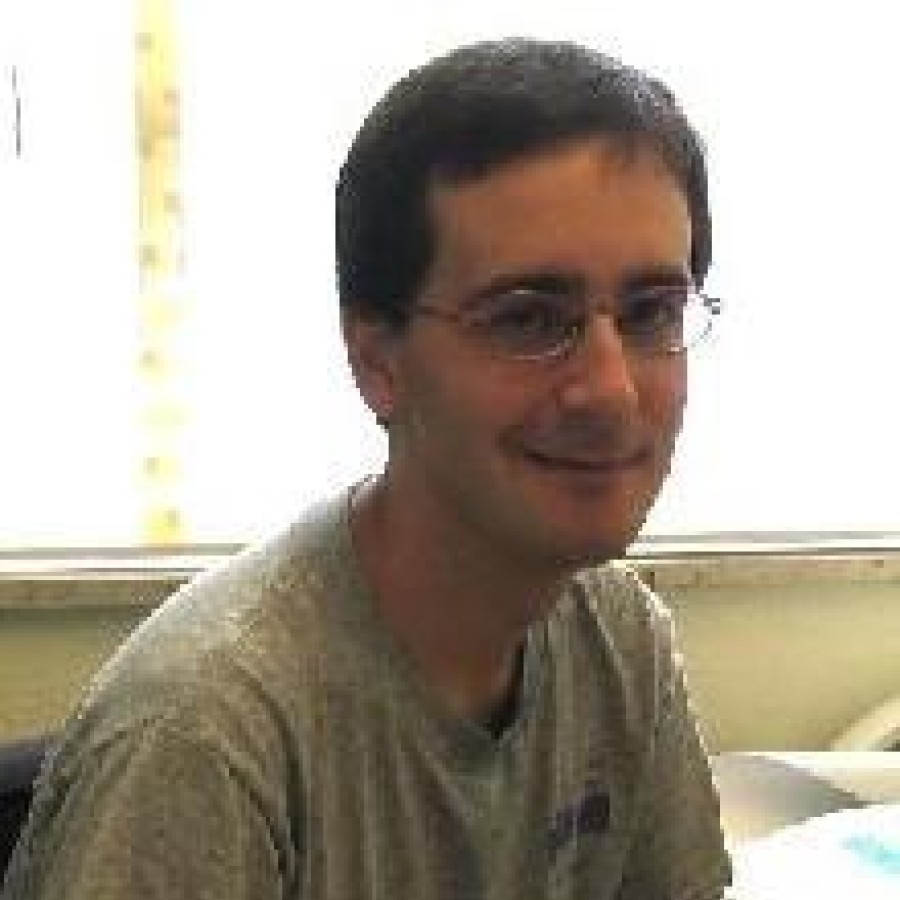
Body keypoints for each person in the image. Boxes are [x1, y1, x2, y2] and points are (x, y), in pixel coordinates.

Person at [3, 37, 732, 899]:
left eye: (651, 312)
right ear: (377, 361)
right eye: (530, 319)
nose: (611, 389)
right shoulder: (201, 739)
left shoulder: (617, 639)